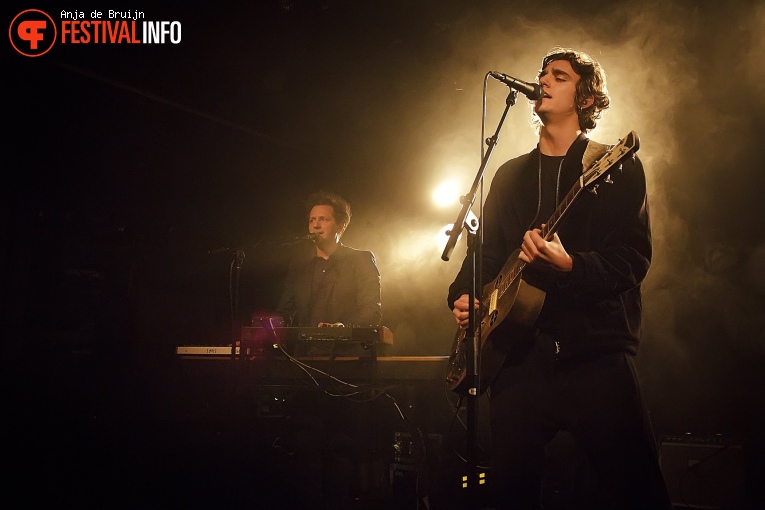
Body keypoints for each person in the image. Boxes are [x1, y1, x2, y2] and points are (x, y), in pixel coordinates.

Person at [447, 47, 672, 509]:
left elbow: (633, 258)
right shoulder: (510, 175)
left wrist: (572, 266)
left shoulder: (613, 164)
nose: (543, 81)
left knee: (638, 489)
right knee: (509, 493)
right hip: (518, 356)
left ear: (586, 99)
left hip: (595, 353)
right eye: (542, 74)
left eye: (560, 76)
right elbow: (485, 255)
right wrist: (465, 295)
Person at [276, 191, 382, 330]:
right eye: (312, 220)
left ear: (341, 225)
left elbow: (371, 311)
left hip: (347, 350)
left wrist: (342, 328)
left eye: (323, 219)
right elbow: (285, 311)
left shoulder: (361, 260)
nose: (316, 225)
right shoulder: (299, 266)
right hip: (304, 351)